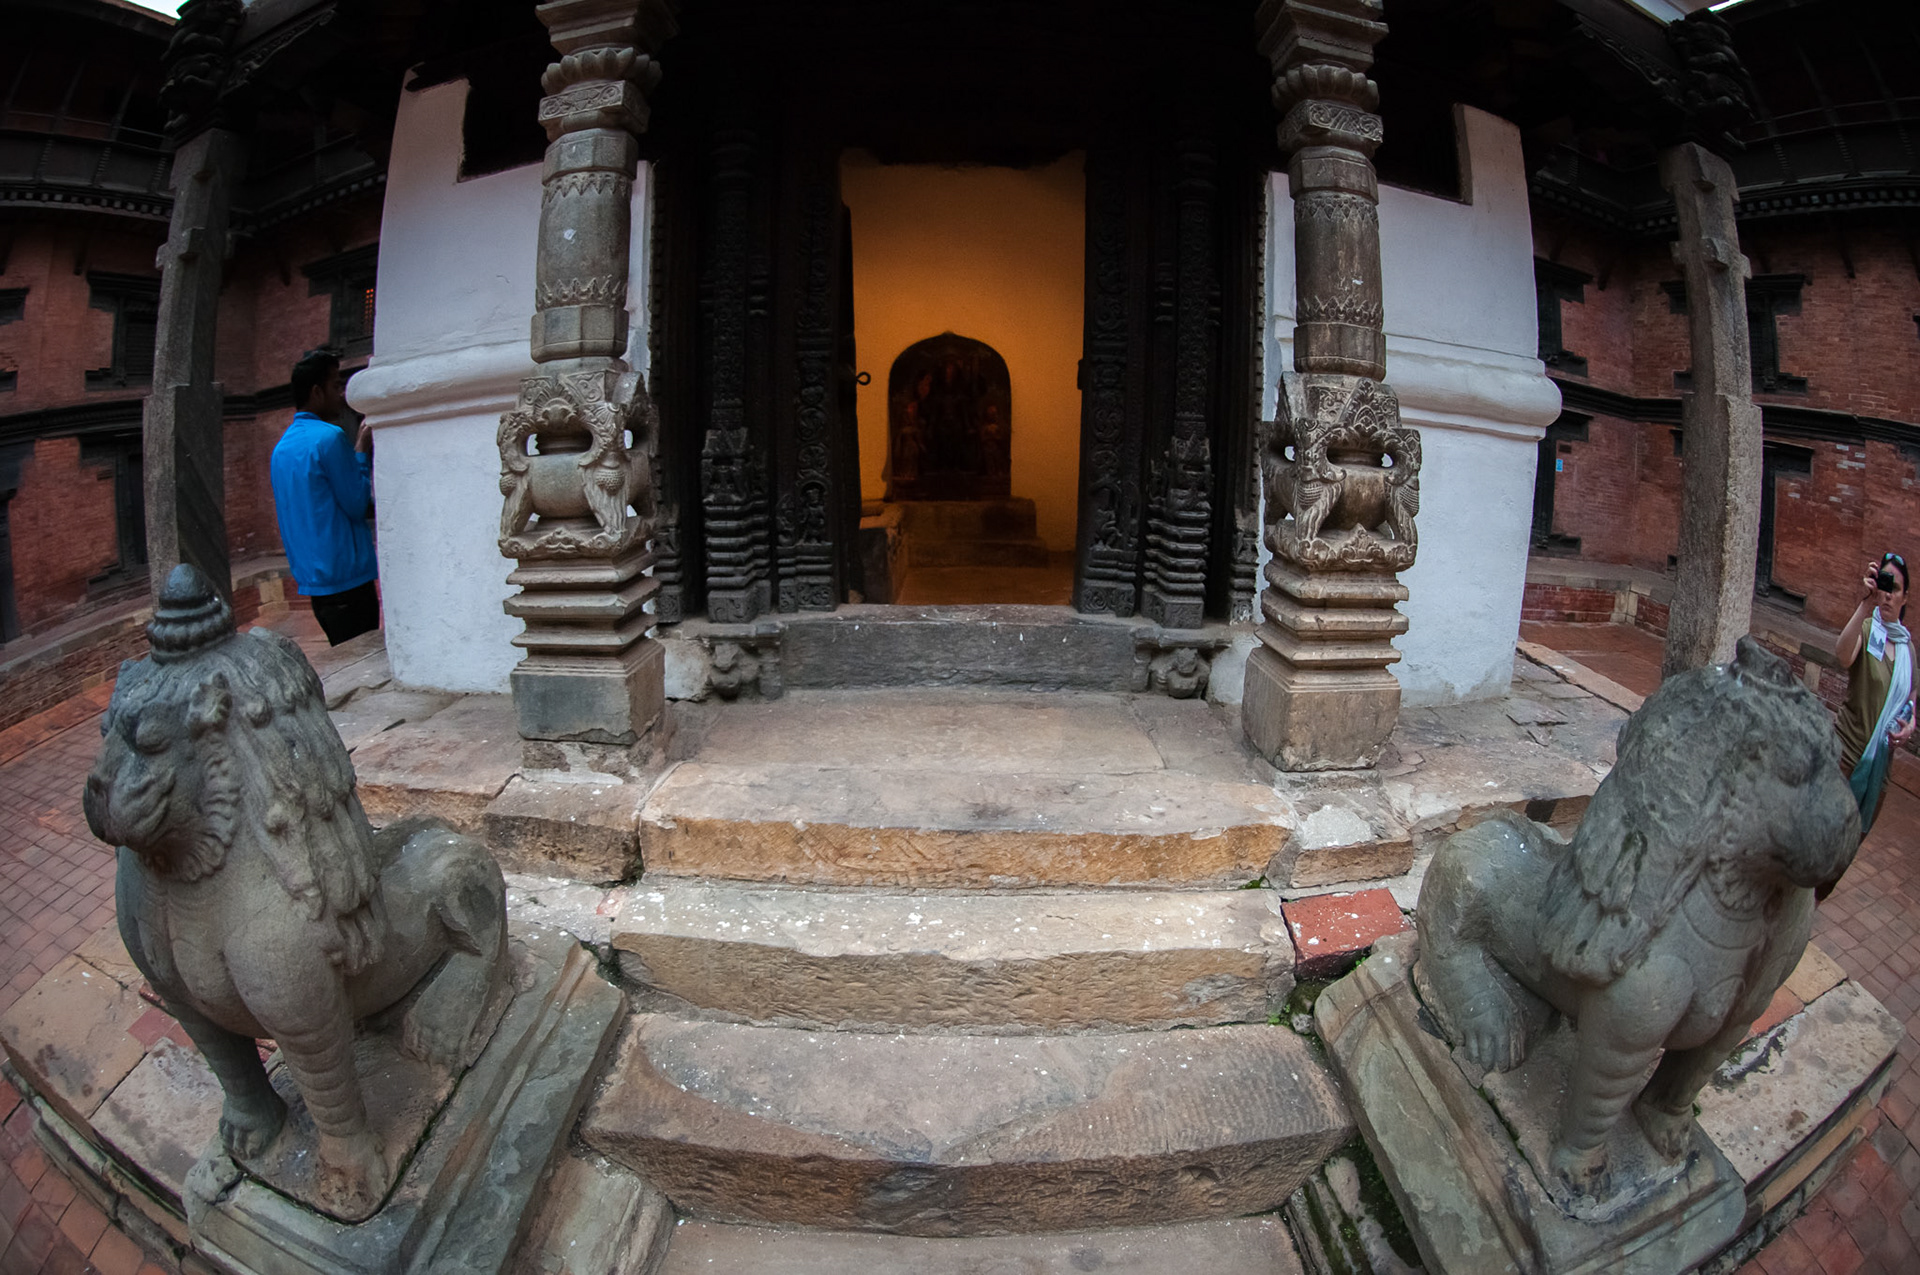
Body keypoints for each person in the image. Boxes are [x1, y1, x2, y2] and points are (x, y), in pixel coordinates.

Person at [271, 348, 378, 645]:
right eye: (335, 386)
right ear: (317, 392)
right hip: (348, 581)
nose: (341, 395)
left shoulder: (281, 449)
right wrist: (360, 451)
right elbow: (357, 504)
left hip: (316, 587)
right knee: (364, 658)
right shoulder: (329, 438)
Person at [1833, 552, 1915, 835]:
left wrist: (1910, 725)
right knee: (1818, 840)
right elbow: (1843, 655)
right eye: (1885, 584)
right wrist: (1865, 604)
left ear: (1905, 597)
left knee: (1850, 845)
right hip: (1845, 757)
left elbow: (1911, 697)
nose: (1888, 595)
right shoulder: (1867, 629)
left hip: (1879, 771)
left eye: (1895, 588)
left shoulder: (1907, 650)